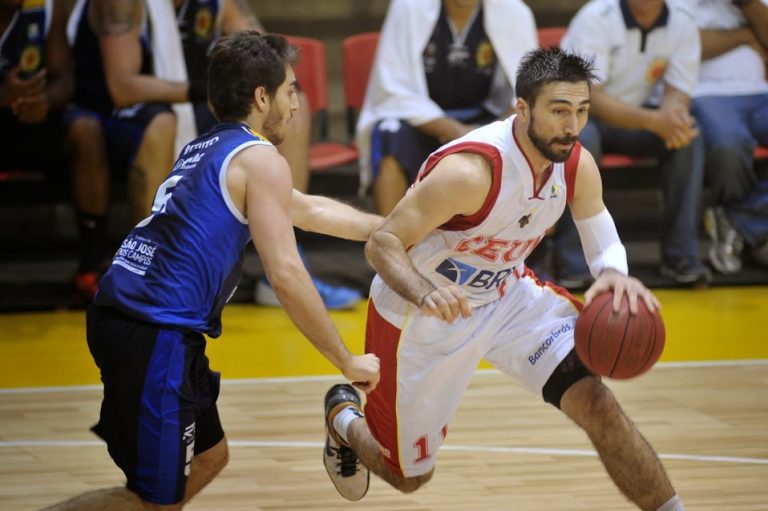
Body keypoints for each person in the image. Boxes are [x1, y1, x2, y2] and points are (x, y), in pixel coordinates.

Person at [321, 47, 686, 511]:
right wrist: (427, 293)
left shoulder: (575, 164)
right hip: (420, 315)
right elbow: (382, 243)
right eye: (559, 111)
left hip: (507, 295)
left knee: (597, 403)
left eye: (581, 110)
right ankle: (343, 416)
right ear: (523, 109)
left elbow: (598, 228)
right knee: (408, 477)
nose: (572, 126)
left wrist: (615, 275)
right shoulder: (470, 173)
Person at [42, 31, 380, 511]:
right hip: (155, 329)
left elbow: (308, 210)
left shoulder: (209, 148)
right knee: (152, 500)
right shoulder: (261, 159)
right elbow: (285, 274)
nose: (295, 105)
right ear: (261, 97)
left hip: (133, 318)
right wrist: (346, 361)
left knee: (209, 457)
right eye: (289, 91)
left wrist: (391, 228)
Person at [66, 0, 362, 308]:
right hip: (111, 116)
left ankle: (285, 261)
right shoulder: (122, 5)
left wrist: (268, 86)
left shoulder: (220, 4)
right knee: (161, 124)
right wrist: (209, 91)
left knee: (290, 105)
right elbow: (122, 88)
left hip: (191, 103)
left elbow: (268, 57)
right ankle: (151, 273)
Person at [550, 0, 711, 288]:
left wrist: (672, 118)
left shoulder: (683, 20)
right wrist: (654, 121)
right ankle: (573, 263)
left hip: (640, 118)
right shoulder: (596, 17)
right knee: (579, 142)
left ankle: (681, 258)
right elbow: (589, 97)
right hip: (584, 116)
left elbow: (678, 90)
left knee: (687, 137)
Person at [355, 0, 537, 215]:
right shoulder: (408, 6)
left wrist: (488, 133)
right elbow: (393, 89)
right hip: (423, 122)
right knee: (389, 131)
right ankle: (388, 232)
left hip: (487, 123)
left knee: (528, 131)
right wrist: (459, 133)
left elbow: (526, 94)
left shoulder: (515, 12)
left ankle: (529, 231)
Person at [0, 0, 105, 300]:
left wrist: (44, 101)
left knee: (86, 131)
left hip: (30, 119)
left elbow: (64, 78)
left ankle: (91, 268)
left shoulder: (46, 5)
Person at [689, 0, 768, 274]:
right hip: (704, 92)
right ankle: (755, 233)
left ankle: (738, 223)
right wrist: (746, 34)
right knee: (729, 146)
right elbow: (684, 45)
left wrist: (747, 4)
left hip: (760, 90)